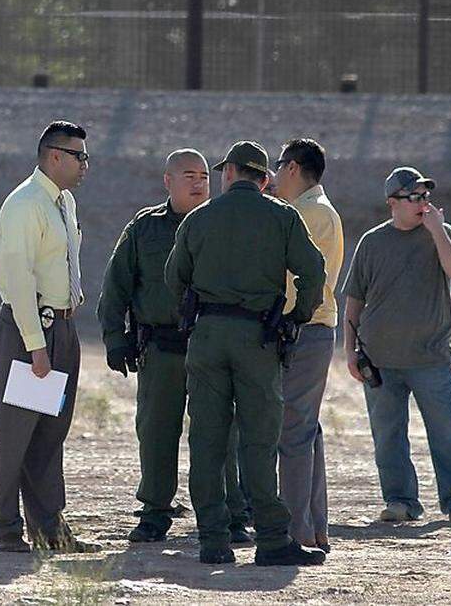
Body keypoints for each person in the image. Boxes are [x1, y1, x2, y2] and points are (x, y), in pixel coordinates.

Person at [164, 141, 327, 566]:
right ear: (265, 178)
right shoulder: (283, 216)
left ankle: (212, 541)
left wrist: (194, 311)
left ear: (231, 173)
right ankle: (272, 540)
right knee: (259, 440)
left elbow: (174, 277)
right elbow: (314, 272)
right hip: (258, 338)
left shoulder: (199, 218)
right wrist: (296, 317)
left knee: (207, 440)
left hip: (207, 337)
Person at [98, 148, 251, 545]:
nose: (199, 182)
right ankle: (154, 513)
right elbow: (116, 286)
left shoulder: (225, 223)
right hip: (161, 349)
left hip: (212, 348)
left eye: (204, 175)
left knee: (219, 434)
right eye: (189, 175)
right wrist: (116, 339)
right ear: (168, 181)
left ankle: (228, 515)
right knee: (156, 433)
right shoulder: (144, 229)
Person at [342, 166, 451, 523]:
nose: (422, 203)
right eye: (414, 197)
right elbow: (354, 300)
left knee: (446, 433)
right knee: (388, 438)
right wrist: (350, 351)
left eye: (425, 196)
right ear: (393, 202)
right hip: (380, 359)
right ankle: (401, 501)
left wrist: (437, 232)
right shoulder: (372, 242)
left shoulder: (442, 233)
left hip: (430, 358)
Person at [0, 120, 98, 554]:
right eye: (79, 156)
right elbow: (18, 279)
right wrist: (36, 346)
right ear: (55, 155)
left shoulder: (64, 202)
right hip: (32, 328)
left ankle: (50, 530)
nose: (85, 164)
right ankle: (4, 530)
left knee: (50, 434)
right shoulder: (24, 204)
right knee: (17, 435)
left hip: (63, 327)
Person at [271, 139, 344, 552]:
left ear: (295, 168)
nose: (277, 174)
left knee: (293, 434)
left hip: (304, 328)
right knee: (305, 430)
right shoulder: (312, 210)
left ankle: (296, 529)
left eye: (281, 166)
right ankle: (314, 528)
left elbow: (292, 277)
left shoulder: (309, 213)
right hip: (313, 329)